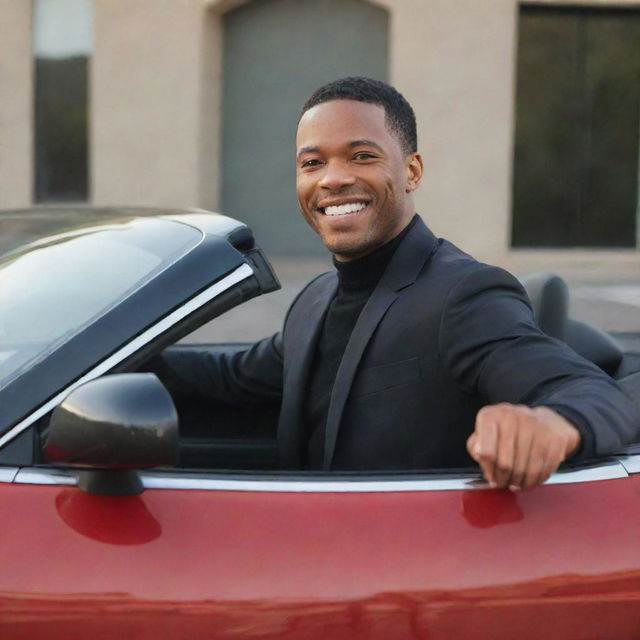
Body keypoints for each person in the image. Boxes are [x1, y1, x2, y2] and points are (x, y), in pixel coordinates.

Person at [157, 77, 640, 489]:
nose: (333, 179)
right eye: (312, 163)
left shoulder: (465, 295)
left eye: (361, 156)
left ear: (411, 172)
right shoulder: (314, 299)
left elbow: (589, 390)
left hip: (414, 575)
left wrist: (551, 423)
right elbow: (228, 377)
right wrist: (92, 364)